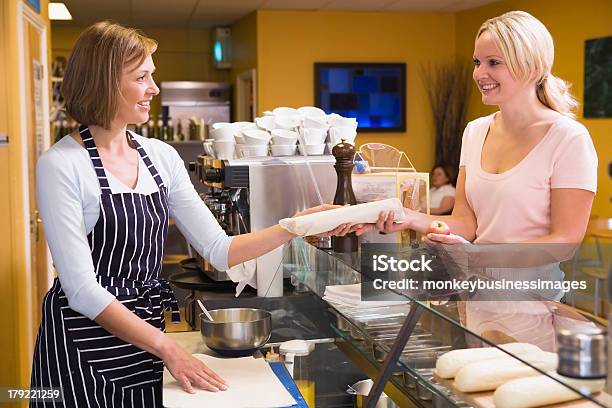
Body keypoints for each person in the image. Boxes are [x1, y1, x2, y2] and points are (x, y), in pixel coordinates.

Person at [30, 21, 349, 407]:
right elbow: (81, 291)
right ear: (105, 82)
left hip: (145, 336)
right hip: (81, 345)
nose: (154, 88)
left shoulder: (159, 157)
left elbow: (219, 248)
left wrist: (296, 225)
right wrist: (168, 348)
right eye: (142, 76)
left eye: (153, 75)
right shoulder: (62, 165)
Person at [356, 11, 598, 350]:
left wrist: (477, 256)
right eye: (477, 62)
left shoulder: (568, 138)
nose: (479, 74)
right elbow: (466, 223)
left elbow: (565, 242)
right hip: (475, 297)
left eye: (493, 62)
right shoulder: (475, 131)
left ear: (530, 66)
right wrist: (410, 218)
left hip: (534, 303)